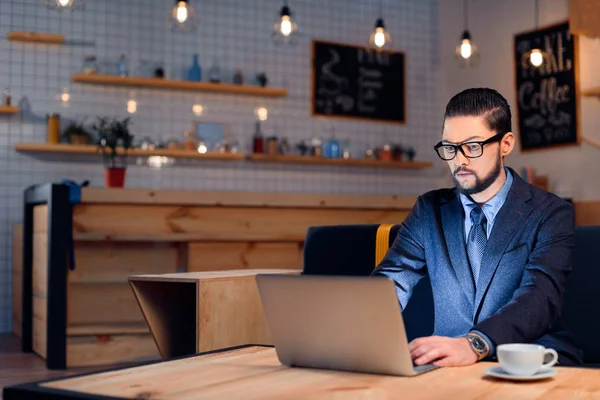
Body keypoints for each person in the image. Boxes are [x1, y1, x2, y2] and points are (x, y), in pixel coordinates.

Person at [372, 88, 582, 367]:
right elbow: (389, 284)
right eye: (449, 148)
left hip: (527, 360)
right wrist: (349, 330)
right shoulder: (428, 210)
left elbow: (540, 298)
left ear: (505, 144)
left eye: (472, 146)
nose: (459, 160)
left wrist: (474, 343)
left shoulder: (550, 212)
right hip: (448, 367)